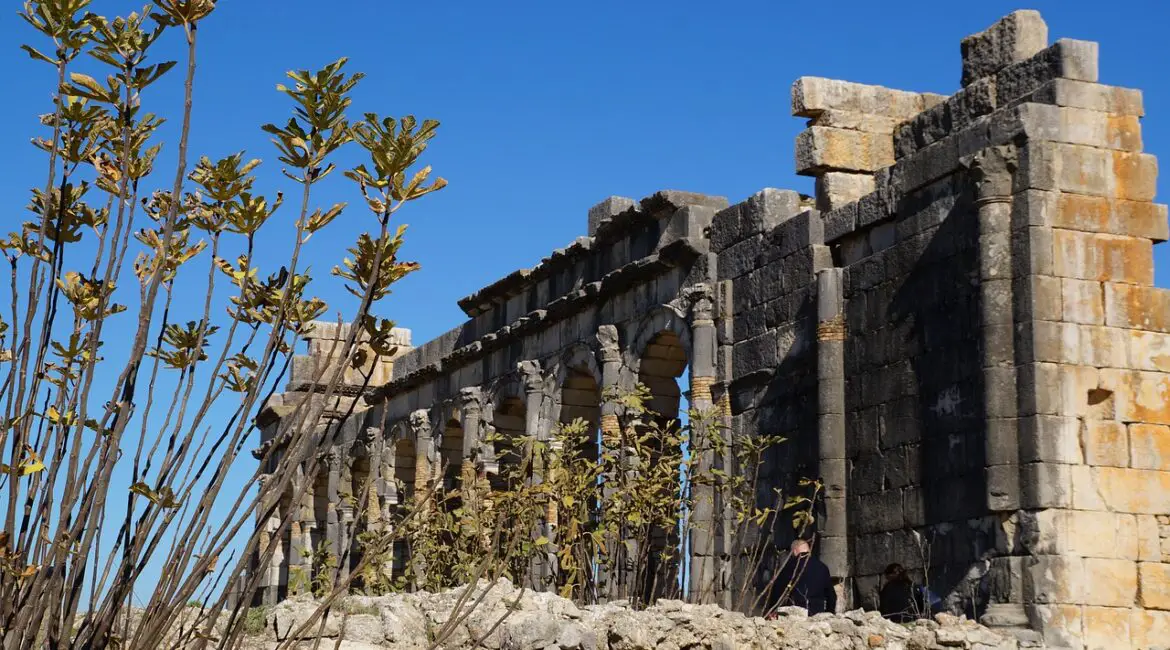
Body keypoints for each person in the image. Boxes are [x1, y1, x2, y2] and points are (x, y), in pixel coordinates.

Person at [768, 538, 837, 615]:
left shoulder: (789, 567)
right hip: (817, 613)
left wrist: (772, 610)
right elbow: (831, 595)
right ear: (809, 550)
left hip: (796, 613)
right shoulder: (822, 567)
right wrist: (829, 613)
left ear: (794, 551)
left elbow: (777, 591)